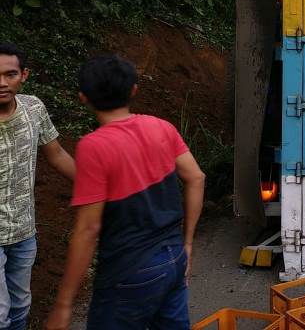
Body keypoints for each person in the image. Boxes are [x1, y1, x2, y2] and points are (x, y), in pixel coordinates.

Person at [46, 55, 206, 330]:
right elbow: (196, 177)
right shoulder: (161, 127)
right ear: (134, 90)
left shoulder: (94, 147)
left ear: (83, 97)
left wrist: (63, 305)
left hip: (129, 268)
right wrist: (187, 242)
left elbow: (88, 228)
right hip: (173, 256)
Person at [0, 42, 75, 330]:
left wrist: (96, 188)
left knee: (21, 306)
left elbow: (56, 154)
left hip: (23, 230)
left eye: (10, 74)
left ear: (24, 75)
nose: (2, 83)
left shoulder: (33, 108)